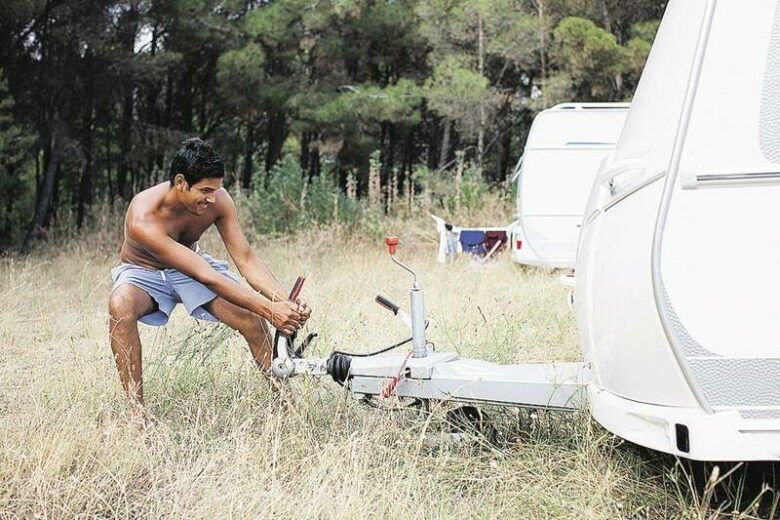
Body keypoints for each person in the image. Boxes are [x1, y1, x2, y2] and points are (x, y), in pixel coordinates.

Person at [108, 137, 310, 423]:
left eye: (216, 189)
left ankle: (287, 406)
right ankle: (137, 415)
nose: (212, 198)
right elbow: (206, 276)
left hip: (193, 263)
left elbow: (247, 259)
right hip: (145, 272)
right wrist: (268, 308)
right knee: (119, 306)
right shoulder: (143, 215)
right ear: (180, 183)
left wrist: (283, 302)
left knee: (250, 319)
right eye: (204, 190)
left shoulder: (218, 199)